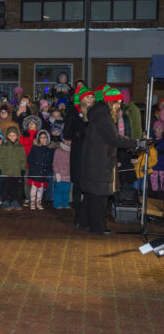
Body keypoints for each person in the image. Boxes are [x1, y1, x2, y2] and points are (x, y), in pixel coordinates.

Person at [79, 88, 141, 235]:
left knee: (92, 196)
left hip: (96, 161)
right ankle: (97, 227)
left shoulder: (100, 115)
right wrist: (135, 143)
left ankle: (86, 223)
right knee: (99, 197)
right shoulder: (103, 117)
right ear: (110, 102)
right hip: (99, 162)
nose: (119, 106)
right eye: (117, 103)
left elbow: (112, 137)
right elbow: (114, 138)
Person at [63, 86, 95, 228]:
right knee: (78, 184)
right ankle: (78, 215)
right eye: (88, 97)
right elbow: (68, 132)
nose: (90, 99)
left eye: (92, 97)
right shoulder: (74, 112)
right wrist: (80, 131)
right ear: (82, 99)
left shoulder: (96, 113)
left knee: (89, 185)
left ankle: (87, 215)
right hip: (78, 152)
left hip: (92, 153)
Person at [0, 126, 26, 211]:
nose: (12, 137)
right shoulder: (4, 146)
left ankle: (14, 201)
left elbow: (23, 159)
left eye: (14, 135)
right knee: (5, 187)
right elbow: (0, 158)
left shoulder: (20, 147)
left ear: (17, 136)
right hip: (6, 171)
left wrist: (22, 169)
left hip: (16, 171)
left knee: (15, 188)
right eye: (10, 135)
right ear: (7, 136)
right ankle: (5, 201)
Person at [27, 130, 54, 210]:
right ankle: (32, 201)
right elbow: (29, 158)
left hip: (44, 171)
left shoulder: (50, 149)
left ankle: (38, 202)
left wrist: (48, 169)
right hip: (35, 171)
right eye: (41, 138)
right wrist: (33, 167)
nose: (43, 139)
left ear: (47, 138)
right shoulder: (35, 148)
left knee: (41, 188)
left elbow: (51, 161)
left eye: (45, 138)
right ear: (39, 139)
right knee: (34, 187)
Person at [53, 138, 72, 209]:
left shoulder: (71, 151)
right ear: (63, 140)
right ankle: (57, 204)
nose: (68, 142)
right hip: (60, 175)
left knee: (66, 191)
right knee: (59, 190)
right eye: (67, 140)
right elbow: (55, 163)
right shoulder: (58, 150)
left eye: (69, 140)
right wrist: (57, 173)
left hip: (68, 175)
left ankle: (65, 204)